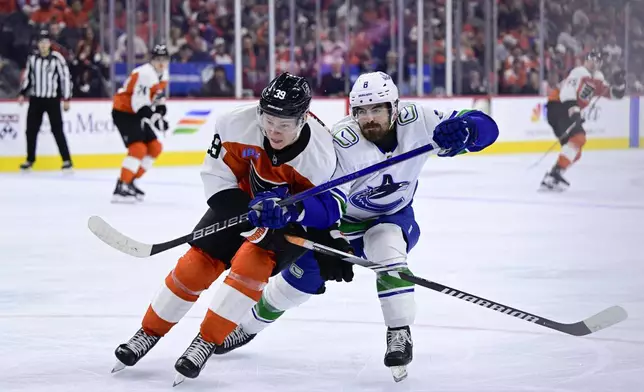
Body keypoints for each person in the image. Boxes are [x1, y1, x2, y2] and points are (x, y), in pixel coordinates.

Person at [216, 71, 500, 382]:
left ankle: (399, 331)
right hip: (341, 222)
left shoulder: (419, 119)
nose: (369, 119)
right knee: (302, 280)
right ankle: (249, 326)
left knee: (388, 248)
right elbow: (327, 202)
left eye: (377, 109)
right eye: (361, 111)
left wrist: (468, 129)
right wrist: (306, 219)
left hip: (392, 215)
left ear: (395, 107)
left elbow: (487, 129)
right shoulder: (342, 142)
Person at [110, 73, 344, 384]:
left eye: (285, 124)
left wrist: (294, 210)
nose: (274, 130)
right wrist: (247, 210)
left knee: (251, 265)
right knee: (196, 264)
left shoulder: (322, 152)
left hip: (287, 220)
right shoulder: (235, 124)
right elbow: (216, 180)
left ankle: (206, 341)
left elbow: (329, 208)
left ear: (303, 119)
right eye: (268, 119)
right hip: (240, 204)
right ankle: (148, 332)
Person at [540, 50, 626, 191]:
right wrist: (574, 112)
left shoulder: (597, 79)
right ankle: (554, 175)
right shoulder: (579, 72)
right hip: (559, 107)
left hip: (565, 110)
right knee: (578, 138)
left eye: (597, 61)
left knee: (575, 150)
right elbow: (567, 93)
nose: (594, 63)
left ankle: (554, 176)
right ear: (585, 61)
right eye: (591, 60)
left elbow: (614, 95)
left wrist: (620, 83)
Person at [111, 44, 170, 202]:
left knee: (155, 147)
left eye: (164, 59)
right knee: (138, 149)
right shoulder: (145, 74)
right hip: (124, 112)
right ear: (152, 60)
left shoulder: (163, 75)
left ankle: (130, 181)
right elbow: (138, 103)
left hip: (136, 113)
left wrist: (161, 113)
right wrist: (155, 119)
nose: (161, 63)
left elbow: (157, 97)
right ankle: (121, 186)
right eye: (158, 59)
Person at [18, 29, 73, 171]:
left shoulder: (57, 59)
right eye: (41, 42)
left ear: (50, 44)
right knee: (31, 130)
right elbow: (28, 78)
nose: (43, 45)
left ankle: (66, 160)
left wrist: (66, 98)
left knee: (57, 130)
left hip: (52, 99)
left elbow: (65, 78)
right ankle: (30, 159)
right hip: (36, 99)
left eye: (45, 42)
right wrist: (22, 93)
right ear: (37, 44)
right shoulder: (33, 58)